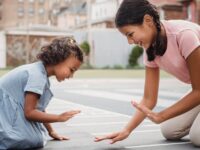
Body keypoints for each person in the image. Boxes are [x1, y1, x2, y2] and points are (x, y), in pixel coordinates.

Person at [95, 0, 200, 147]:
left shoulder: (184, 35)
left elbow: (198, 91)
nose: (130, 42)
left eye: (130, 34)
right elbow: (149, 99)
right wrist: (126, 130)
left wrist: (161, 115)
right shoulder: (151, 49)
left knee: (197, 137)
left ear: (148, 20)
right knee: (169, 130)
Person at [0, 36, 83, 149]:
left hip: (7, 112)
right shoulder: (37, 75)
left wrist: (51, 131)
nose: (71, 76)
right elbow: (29, 113)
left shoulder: (39, 72)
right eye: (71, 70)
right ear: (59, 59)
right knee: (32, 139)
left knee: (36, 137)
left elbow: (38, 108)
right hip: (4, 115)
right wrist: (58, 118)